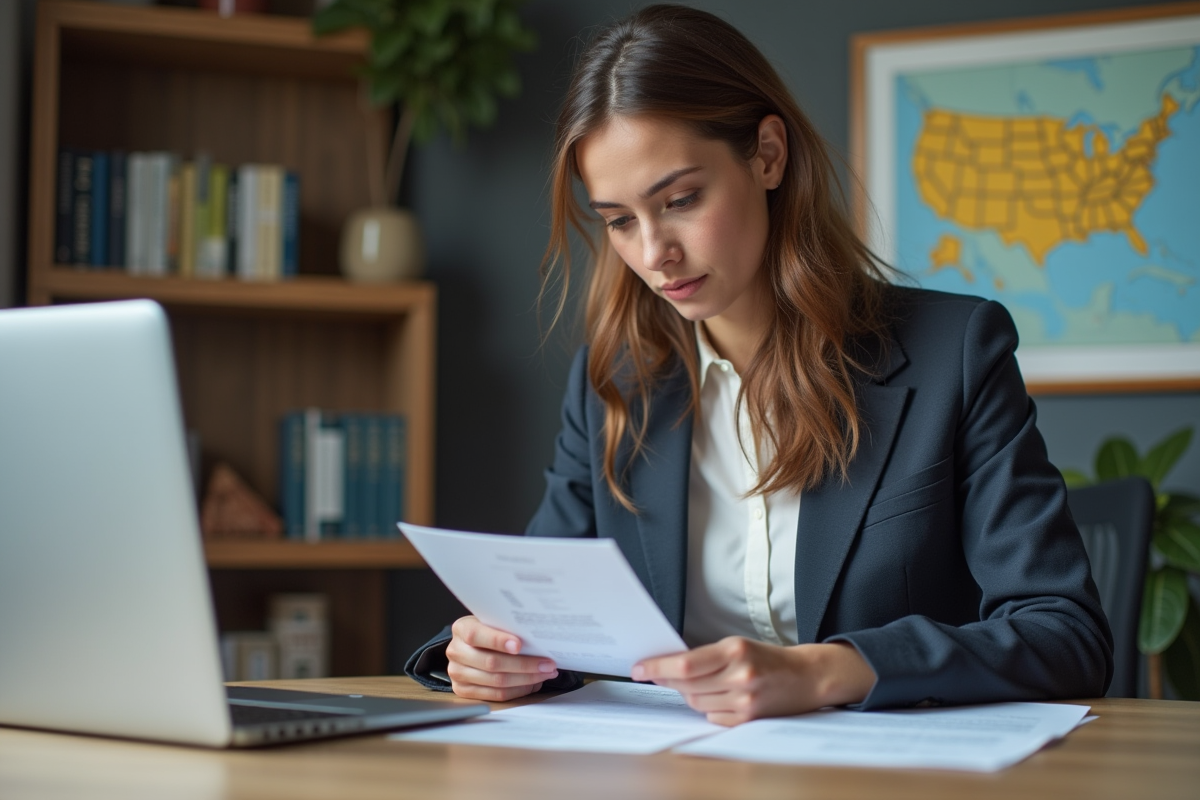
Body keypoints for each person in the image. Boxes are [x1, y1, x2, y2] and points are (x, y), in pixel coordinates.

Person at [405, 4, 1112, 725]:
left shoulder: (953, 351)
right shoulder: (614, 384)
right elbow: (535, 612)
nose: (653, 253)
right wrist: (483, 652)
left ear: (768, 154)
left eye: (681, 200)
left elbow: (1066, 633)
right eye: (618, 220)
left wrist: (829, 670)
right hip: (676, 767)